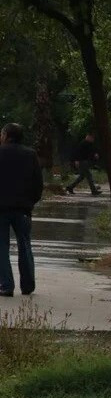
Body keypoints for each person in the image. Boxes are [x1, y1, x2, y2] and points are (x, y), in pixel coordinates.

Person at [0, 123, 44, 297]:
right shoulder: (31, 154)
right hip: (23, 209)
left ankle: (6, 285)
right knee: (25, 245)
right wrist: (30, 202)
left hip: (1, 209)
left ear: (6, 135)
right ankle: (27, 285)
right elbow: (38, 184)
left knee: (1, 247)